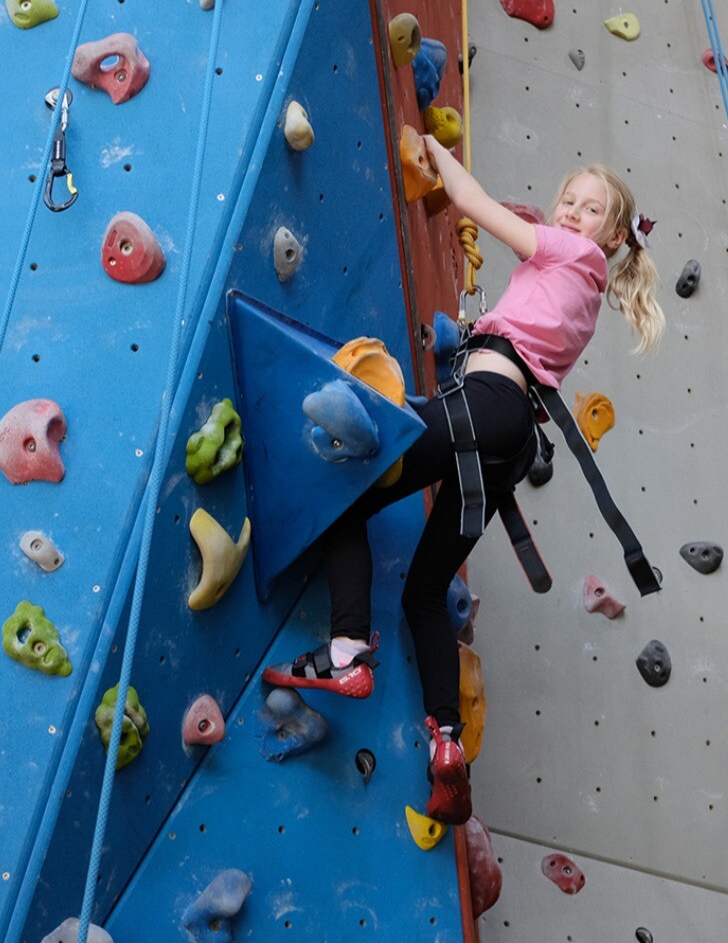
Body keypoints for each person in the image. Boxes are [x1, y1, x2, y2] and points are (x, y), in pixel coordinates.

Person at [263, 134, 665, 825]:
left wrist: (430, 148)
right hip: (506, 446)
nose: (570, 213)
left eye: (589, 208)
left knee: (345, 495)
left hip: (483, 411)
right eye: (566, 200)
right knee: (425, 594)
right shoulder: (588, 286)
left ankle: (346, 650)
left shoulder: (573, 252)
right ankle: (446, 744)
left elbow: (470, 202)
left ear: (613, 232)